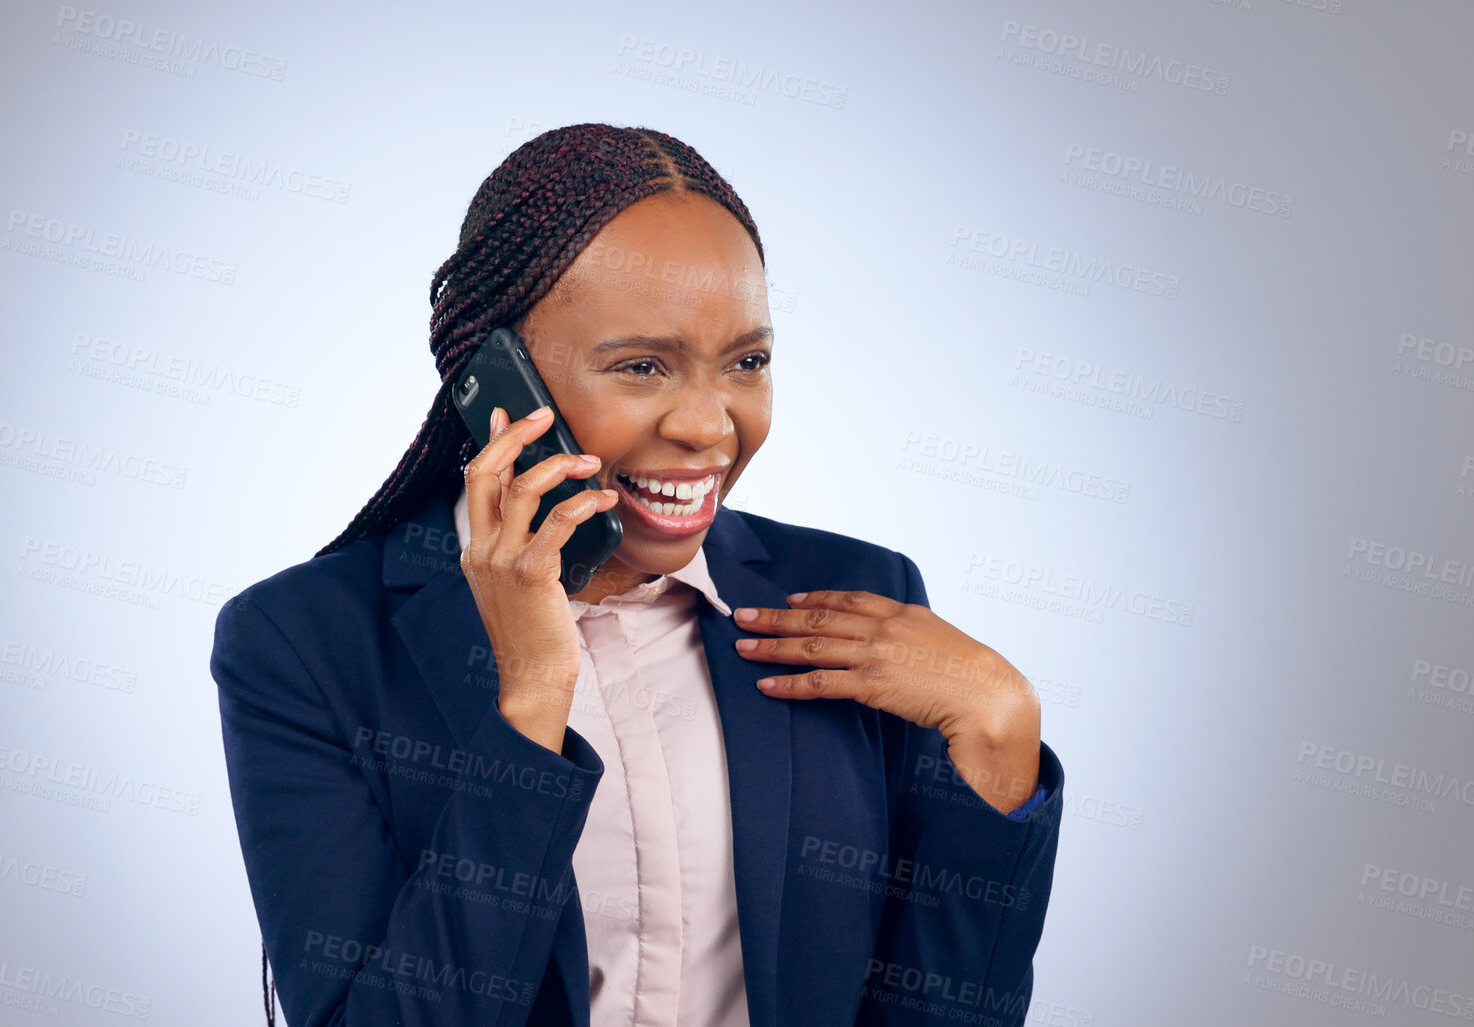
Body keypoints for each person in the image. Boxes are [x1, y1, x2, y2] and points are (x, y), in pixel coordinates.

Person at [210, 122, 1064, 1027]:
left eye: (747, 361)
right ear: (494, 377)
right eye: (642, 366)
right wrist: (531, 701)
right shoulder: (303, 643)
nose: (707, 425)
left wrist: (1000, 729)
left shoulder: (855, 598)